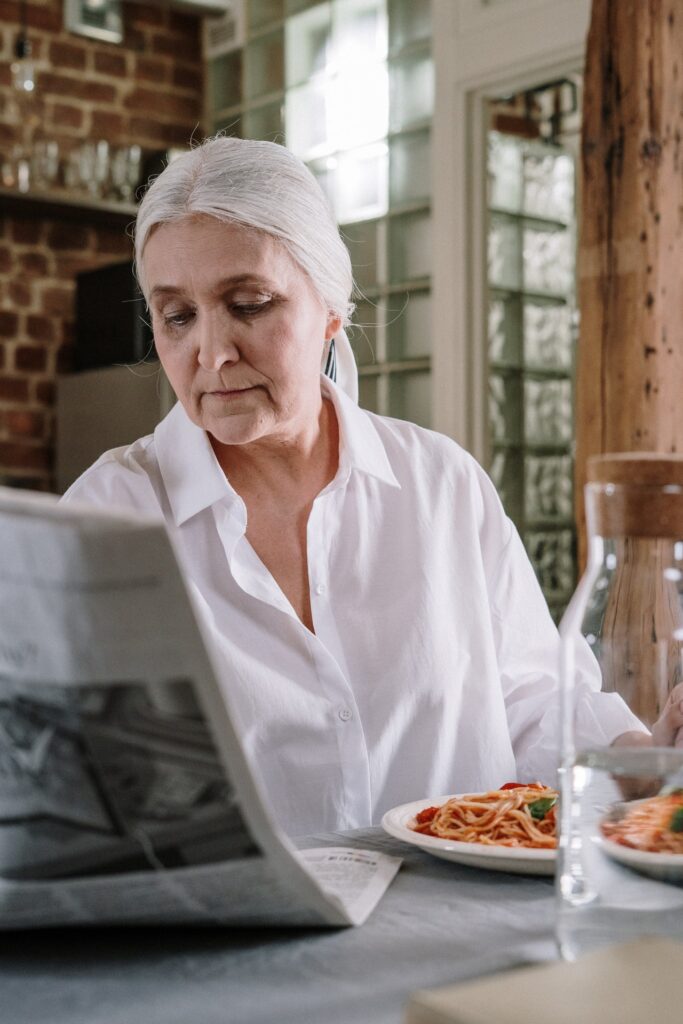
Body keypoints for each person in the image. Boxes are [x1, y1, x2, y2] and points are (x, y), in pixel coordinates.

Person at [61, 136, 683, 837]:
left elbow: (539, 705)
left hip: (456, 929)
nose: (212, 352)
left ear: (331, 307)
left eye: (249, 303)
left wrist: (652, 755)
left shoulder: (442, 486)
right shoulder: (105, 519)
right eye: (177, 316)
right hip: (223, 941)